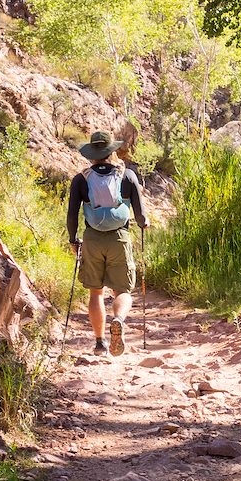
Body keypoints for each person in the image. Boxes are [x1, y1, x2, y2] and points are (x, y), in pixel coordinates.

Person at [67, 129, 148, 357]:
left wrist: (73, 239)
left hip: (92, 239)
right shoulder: (127, 176)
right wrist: (144, 223)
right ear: (111, 151)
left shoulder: (81, 179)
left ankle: (100, 342)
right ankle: (118, 320)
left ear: (92, 153)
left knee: (96, 293)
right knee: (123, 290)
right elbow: (140, 215)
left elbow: (72, 215)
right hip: (119, 238)